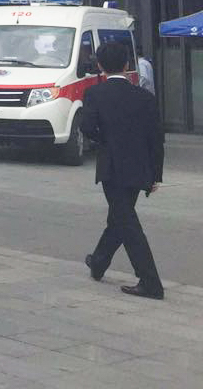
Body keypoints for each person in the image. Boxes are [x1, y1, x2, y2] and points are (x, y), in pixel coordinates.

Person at [80, 41, 165, 299]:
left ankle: (150, 282)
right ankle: (98, 261)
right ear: (127, 65)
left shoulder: (95, 94)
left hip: (112, 168)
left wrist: (105, 140)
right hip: (139, 168)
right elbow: (156, 139)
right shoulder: (145, 97)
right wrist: (155, 174)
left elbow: (86, 127)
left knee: (127, 223)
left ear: (100, 66)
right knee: (120, 218)